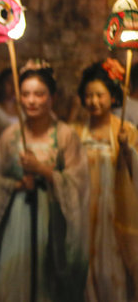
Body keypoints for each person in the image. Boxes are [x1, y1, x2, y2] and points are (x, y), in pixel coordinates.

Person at [0, 60, 89, 302]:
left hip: (52, 218)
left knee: (46, 285)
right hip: (15, 219)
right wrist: (16, 185)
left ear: (52, 97)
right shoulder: (10, 135)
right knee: (11, 281)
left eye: (39, 94)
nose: (32, 101)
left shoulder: (65, 135)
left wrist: (45, 171)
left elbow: (78, 182)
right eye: (26, 94)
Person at [72, 59, 138, 301]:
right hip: (83, 213)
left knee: (115, 267)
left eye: (100, 95)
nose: (94, 101)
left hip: (117, 213)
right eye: (89, 96)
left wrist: (127, 150)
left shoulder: (128, 131)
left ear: (112, 97)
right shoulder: (76, 133)